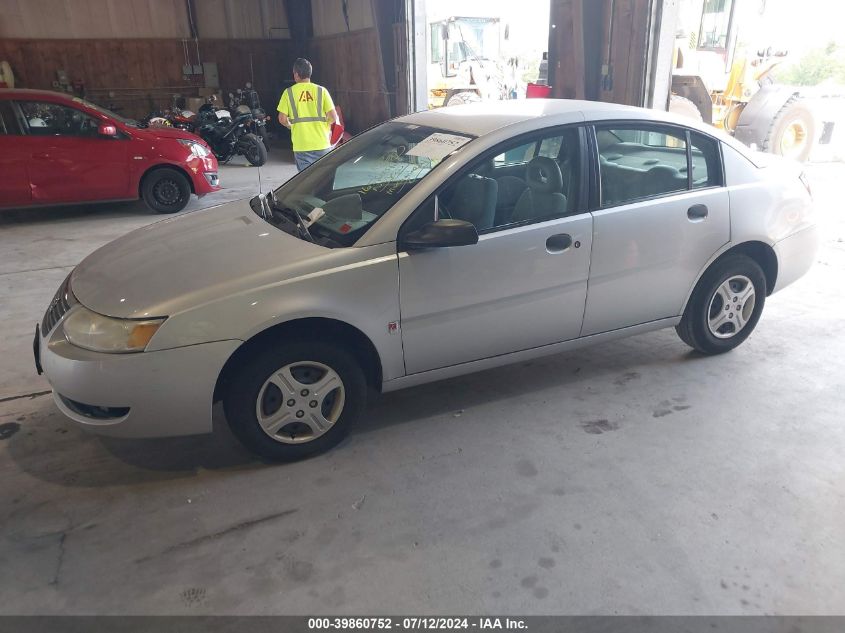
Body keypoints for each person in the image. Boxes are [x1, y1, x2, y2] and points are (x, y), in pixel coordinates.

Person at [277, 58, 339, 171]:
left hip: (301, 145)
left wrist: (289, 125)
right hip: (322, 143)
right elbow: (334, 117)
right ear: (310, 73)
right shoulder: (321, 91)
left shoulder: (288, 93)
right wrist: (326, 125)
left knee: (306, 182)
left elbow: (282, 118)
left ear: (296, 74)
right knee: (323, 179)